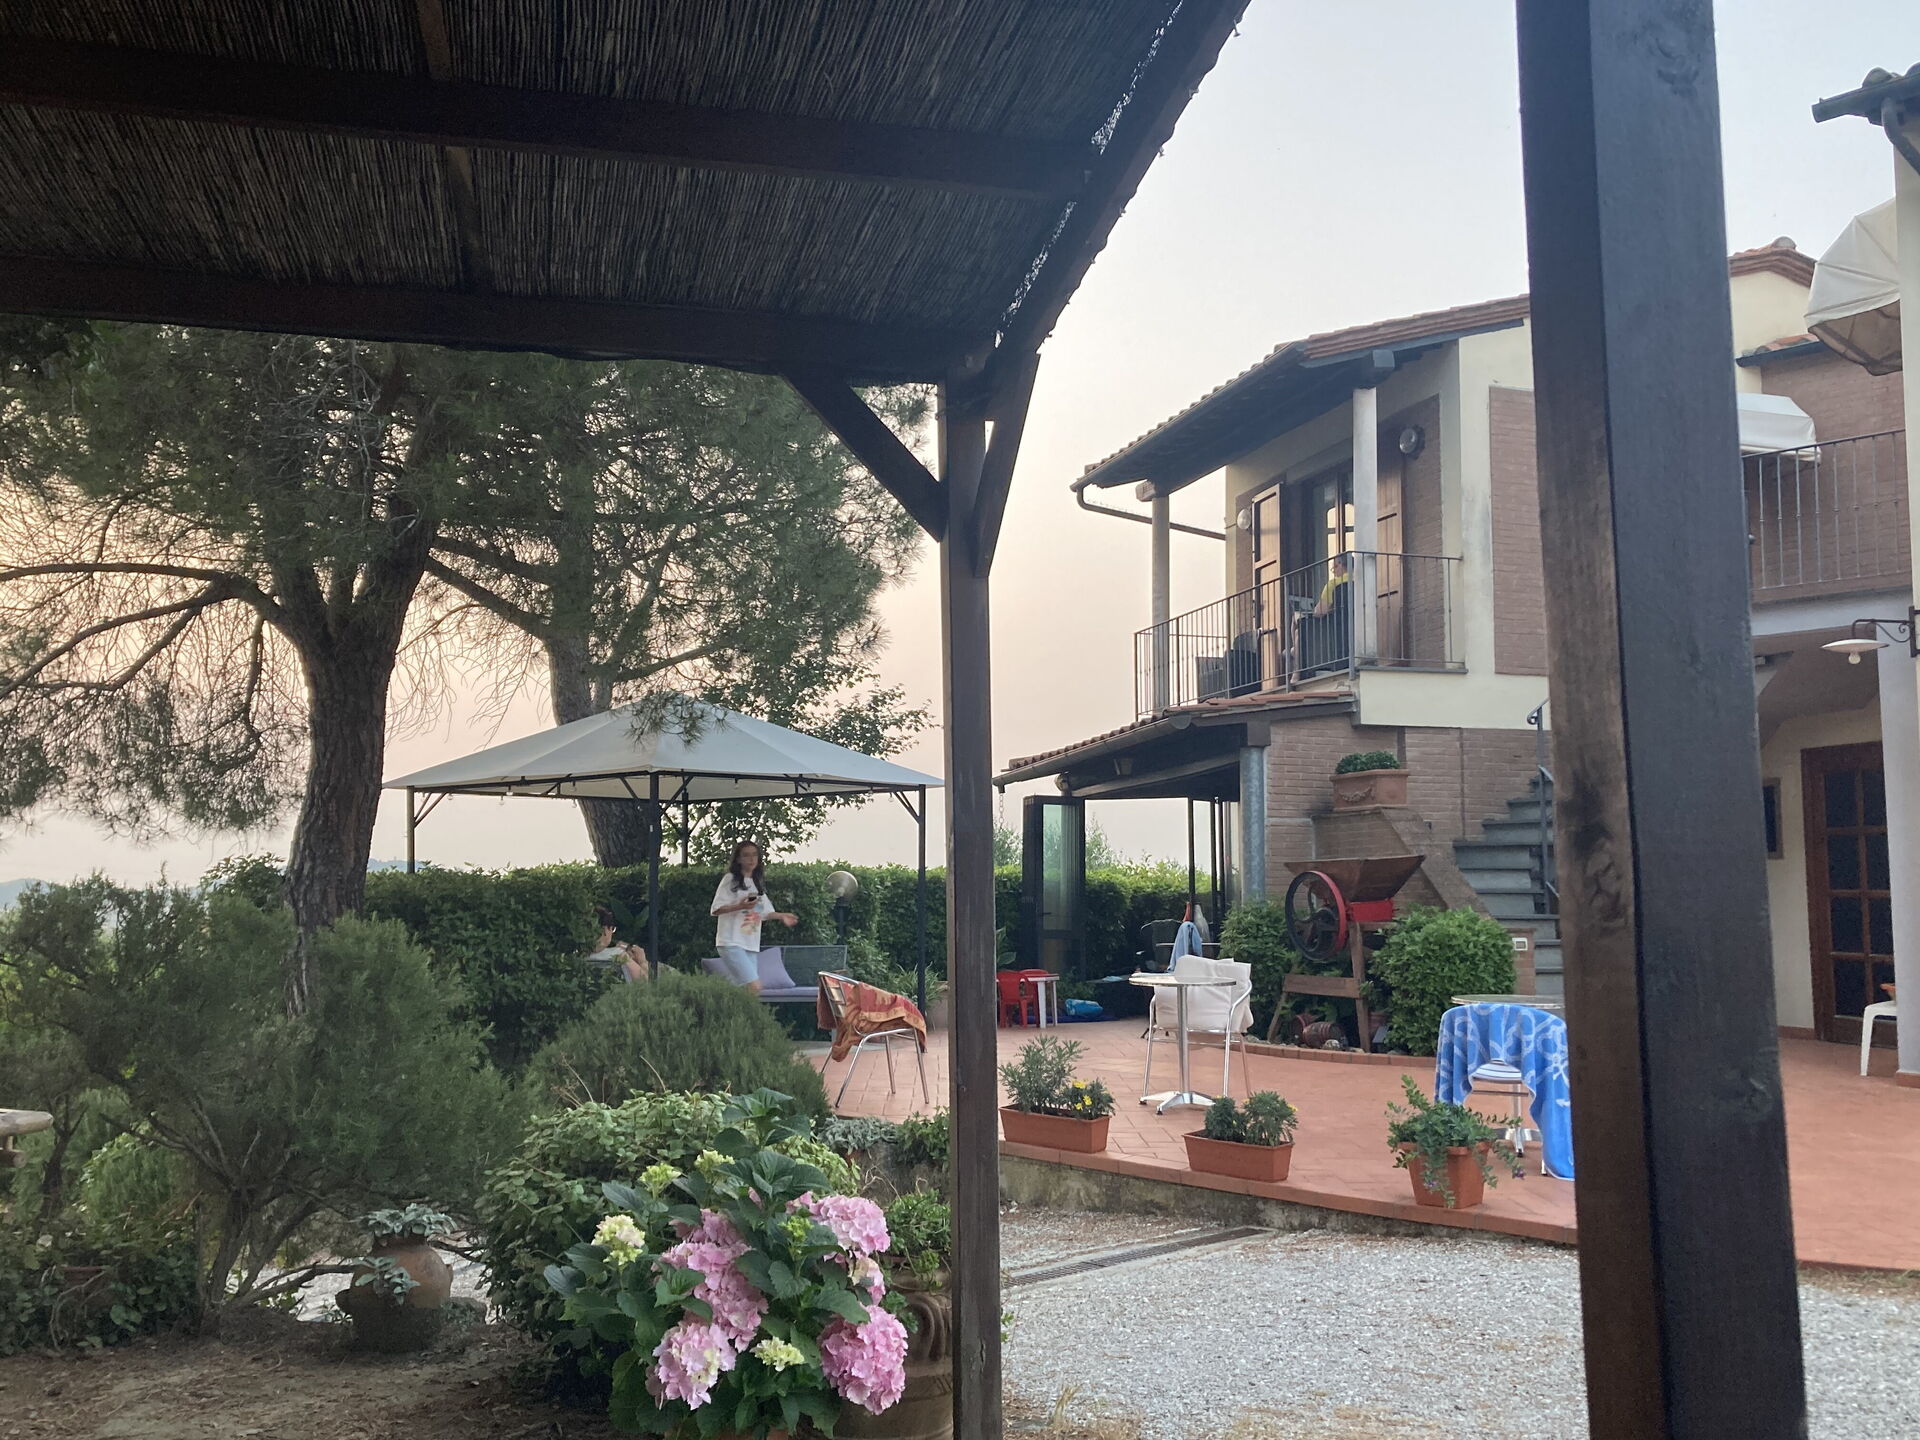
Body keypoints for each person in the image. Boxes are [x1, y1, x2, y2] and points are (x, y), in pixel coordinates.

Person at [710, 841, 798, 995]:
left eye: (754, 855)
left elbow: (765, 912)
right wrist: (740, 906)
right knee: (754, 986)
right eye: (746, 855)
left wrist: (782, 916)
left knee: (746, 992)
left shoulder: (756, 883)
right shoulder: (731, 880)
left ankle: (729, 1010)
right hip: (731, 941)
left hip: (750, 944)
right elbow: (716, 909)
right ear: (738, 859)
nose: (751, 859)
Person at [585, 905, 650, 983]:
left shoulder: (577, 954)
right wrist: (642, 961)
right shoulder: (618, 954)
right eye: (612, 929)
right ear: (605, 929)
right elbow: (644, 982)